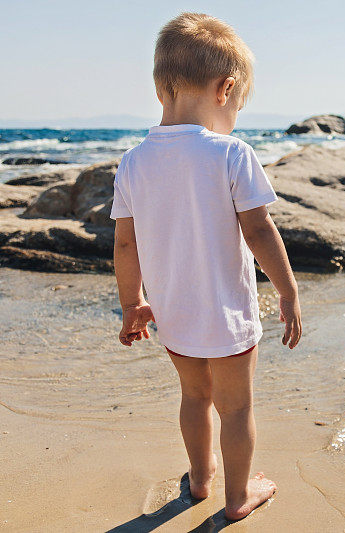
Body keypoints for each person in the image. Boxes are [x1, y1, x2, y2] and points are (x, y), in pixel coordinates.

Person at [110, 12, 302, 521]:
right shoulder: (231, 154)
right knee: (236, 407)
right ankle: (238, 497)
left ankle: (199, 479)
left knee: (195, 397)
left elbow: (125, 245)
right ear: (226, 89)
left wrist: (133, 304)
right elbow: (259, 230)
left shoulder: (133, 161)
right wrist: (287, 290)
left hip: (172, 313)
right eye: (238, 104)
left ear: (160, 90)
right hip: (228, 315)